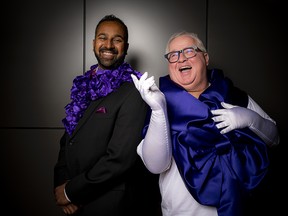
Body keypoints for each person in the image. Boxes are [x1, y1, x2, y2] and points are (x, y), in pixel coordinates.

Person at [131, 31, 280, 216]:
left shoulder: (234, 95)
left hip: (244, 205)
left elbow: (275, 139)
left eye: (189, 51)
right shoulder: (158, 101)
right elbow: (155, 166)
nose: (181, 59)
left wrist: (250, 119)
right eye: (173, 55)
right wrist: (159, 112)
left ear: (206, 58)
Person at [53, 14, 161, 216]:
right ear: (94, 43)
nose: (109, 45)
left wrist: (71, 191)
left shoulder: (134, 91)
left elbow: (120, 159)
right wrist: (62, 183)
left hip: (109, 204)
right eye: (103, 37)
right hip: (76, 202)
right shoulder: (83, 84)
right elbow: (68, 139)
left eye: (117, 39)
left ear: (125, 47)